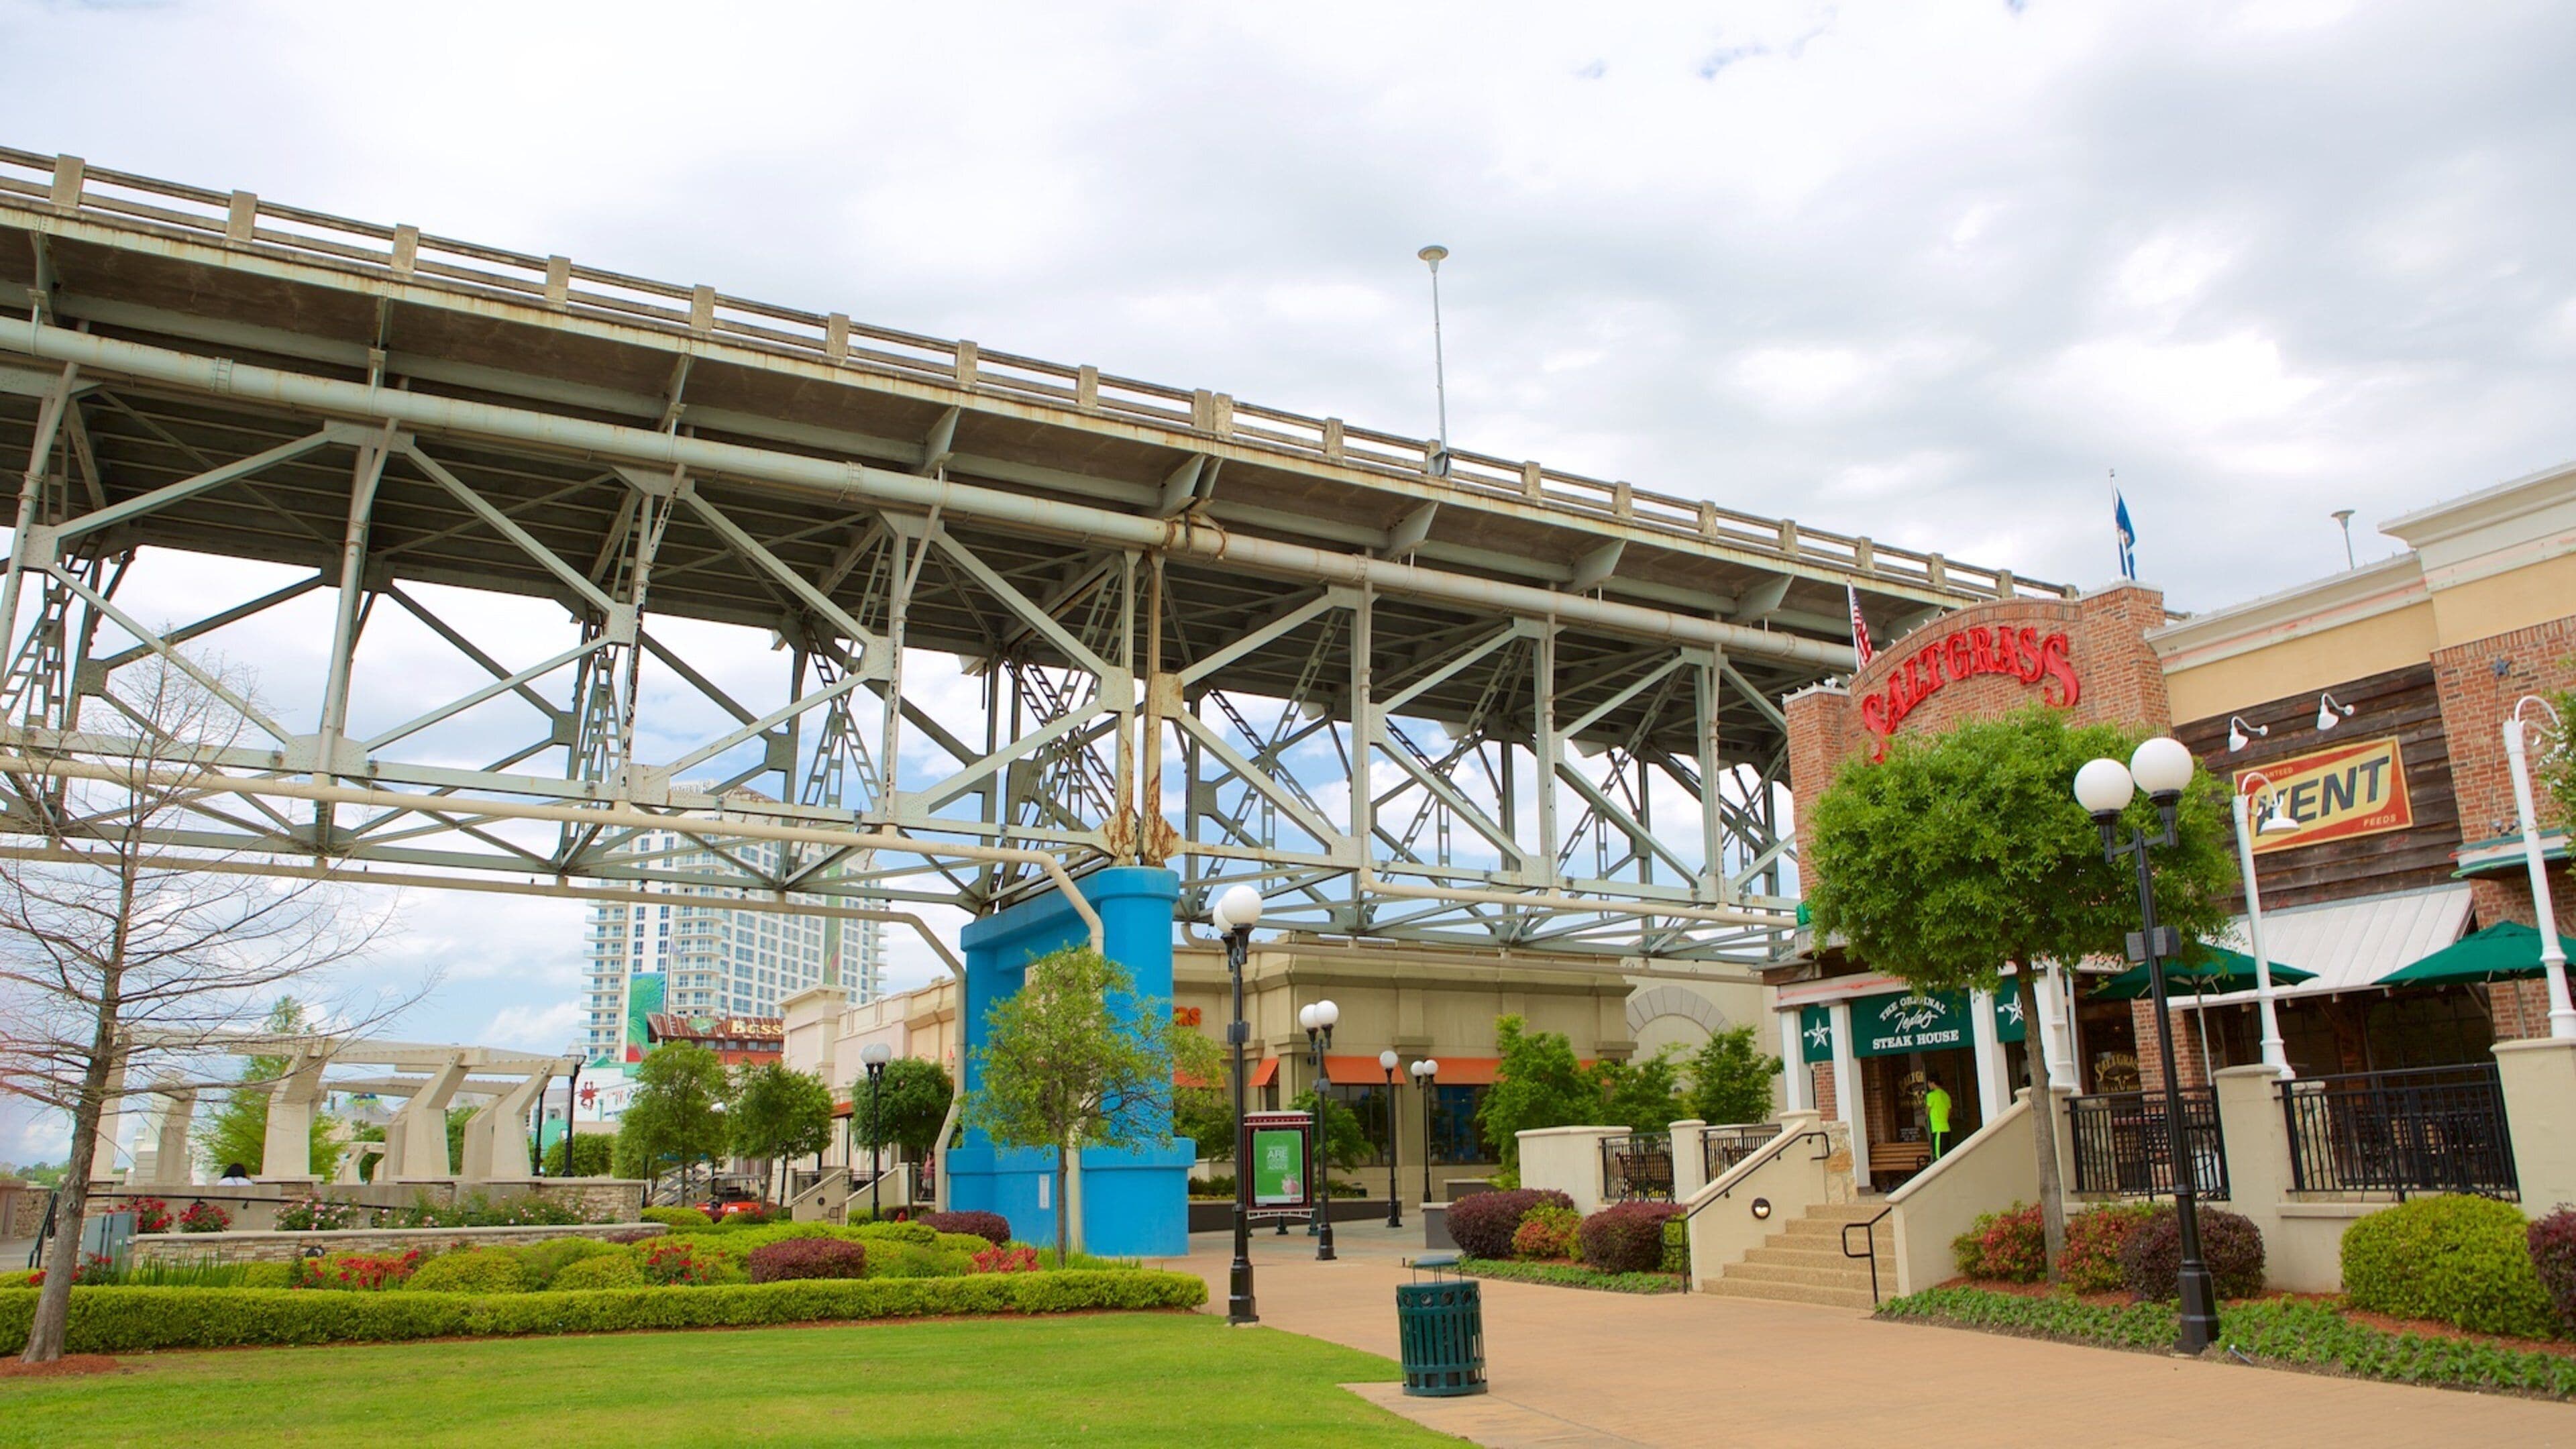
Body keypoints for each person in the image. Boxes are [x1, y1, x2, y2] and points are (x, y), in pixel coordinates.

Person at [1923, 1079, 1952, 1161]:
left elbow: (1927, 1111)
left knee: (1939, 1157)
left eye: (1929, 1084)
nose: (1928, 1086)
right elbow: (1950, 1111)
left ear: (1933, 1083)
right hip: (1946, 1128)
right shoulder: (1946, 1095)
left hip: (1938, 1129)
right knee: (1946, 1155)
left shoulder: (1931, 1096)